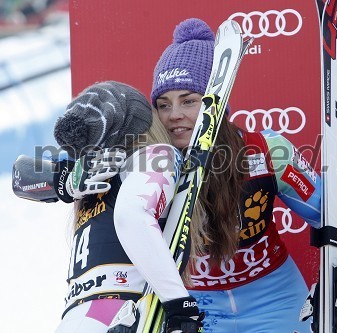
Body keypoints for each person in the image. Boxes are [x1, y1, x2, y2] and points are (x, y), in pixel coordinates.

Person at [12, 19, 337, 333]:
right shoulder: (146, 160)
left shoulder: (265, 151)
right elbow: (22, 176)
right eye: (163, 104)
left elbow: (332, 215)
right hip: (195, 309)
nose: (174, 114)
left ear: (217, 99)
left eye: (189, 101)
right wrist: (67, 177)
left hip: (274, 300)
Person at [16, 81, 205, 332]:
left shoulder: (89, 179)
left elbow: (21, 175)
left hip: (77, 315)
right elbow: (132, 217)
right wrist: (180, 305)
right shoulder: (157, 155)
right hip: (122, 312)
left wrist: (64, 182)